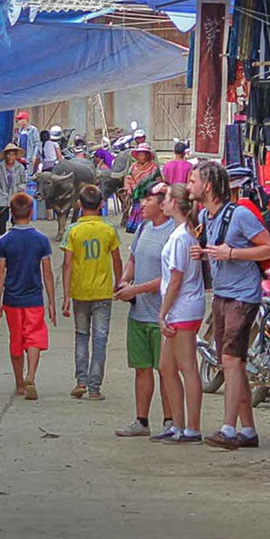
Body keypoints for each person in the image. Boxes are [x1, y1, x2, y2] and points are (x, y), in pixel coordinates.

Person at [188, 161, 270, 450]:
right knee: (232, 363)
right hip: (223, 294)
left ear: (209, 186)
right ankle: (248, 430)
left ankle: (229, 428)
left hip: (242, 296)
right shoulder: (206, 215)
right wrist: (206, 254)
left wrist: (232, 253)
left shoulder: (239, 214)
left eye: (193, 181)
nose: (190, 185)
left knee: (231, 360)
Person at [113, 182, 177, 437]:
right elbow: (133, 259)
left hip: (163, 314)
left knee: (166, 370)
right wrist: (125, 281)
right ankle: (141, 421)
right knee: (141, 368)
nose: (142, 204)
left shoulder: (175, 233)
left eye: (147, 200)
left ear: (162, 204)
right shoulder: (142, 229)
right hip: (139, 313)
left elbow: (171, 277)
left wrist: (135, 290)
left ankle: (170, 420)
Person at [149, 184, 207, 444]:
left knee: (186, 367)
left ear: (175, 204)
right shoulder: (183, 234)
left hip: (182, 307)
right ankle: (178, 424)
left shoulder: (181, 237)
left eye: (167, 198)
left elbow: (175, 279)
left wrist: (162, 313)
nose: (163, 202)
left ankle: (191, 427)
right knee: (167, 367)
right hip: (181, 306)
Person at [60, 185, 121, 401]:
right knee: (100, 339)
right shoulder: (109, 231)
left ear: (79, 205)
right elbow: (117, 260)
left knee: (81, 335)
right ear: (102, 205)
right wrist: (119, 283)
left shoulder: (73, 231)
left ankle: (81, 381)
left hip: (80, 292)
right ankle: (95, 388)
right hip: (103, 292)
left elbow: (67, 265)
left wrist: (66, 295)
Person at [0, 193, 57, 400]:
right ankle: (31, 375)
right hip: (34, 299)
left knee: (16, 339)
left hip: (12, 299)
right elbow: (47, 273)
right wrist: (52, 302)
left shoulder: (4, 241)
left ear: (11, 213)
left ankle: (20, 383)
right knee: (34, 337)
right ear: (31, 212)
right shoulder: (41, 240)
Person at [121, 143, 161, 233]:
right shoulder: (133, 167)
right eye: (139, 154)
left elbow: (158, 181)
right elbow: (128, 178)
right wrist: (128, 188)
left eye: (143, 154)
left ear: (147, 155)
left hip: (148, 195)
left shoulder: (154, 168)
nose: (141, 156)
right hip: (136, 195)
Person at [0, 143, 28, 236]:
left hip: (15, 194)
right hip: (2, 194)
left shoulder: (20, 167)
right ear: (5, 155)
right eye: (9, 154)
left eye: (13, 154)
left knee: (16, 219)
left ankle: (14, 237)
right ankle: (2, 237)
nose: (11, 157)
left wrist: (21, 189)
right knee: (1, 220)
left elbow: (24, 181)